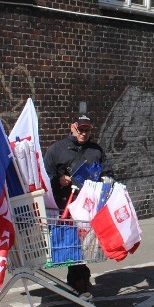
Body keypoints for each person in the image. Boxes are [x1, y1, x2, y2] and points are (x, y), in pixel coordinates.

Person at [44, 114, 112, 295]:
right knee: (73, 245)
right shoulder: (56, 150)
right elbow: (45, 177)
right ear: (72, 127)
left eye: (87, 130)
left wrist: (107, 181)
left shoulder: (96, 151)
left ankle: (80, 281)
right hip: (65, 207)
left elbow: (108, 172)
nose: (83, 133)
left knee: (84, 247)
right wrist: (59, 180)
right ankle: (80, 282)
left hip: (89, 209)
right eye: (80, 129)